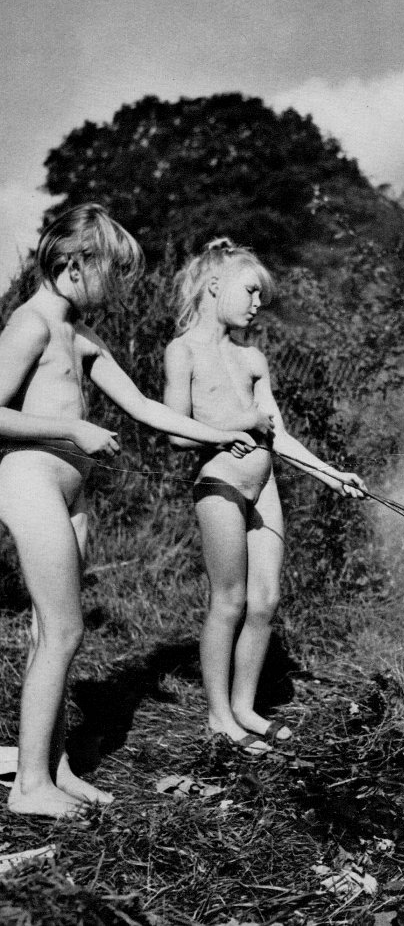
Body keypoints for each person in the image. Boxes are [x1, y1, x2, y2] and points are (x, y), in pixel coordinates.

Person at [0, 205, 256, 817]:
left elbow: (144, 405)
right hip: (29, 481)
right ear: (74, 264)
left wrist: (218, 435)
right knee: (64, 630)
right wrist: (73, 429)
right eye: (110, 273)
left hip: (70, 493)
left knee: (49, 633)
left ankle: (53, 767)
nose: (117, 288)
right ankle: (29, 787)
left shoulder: (80, 336)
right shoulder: (30, 324)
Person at [164, 238, 365, 754]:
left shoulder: (252, 357)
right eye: (251, 291)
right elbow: (176, 431)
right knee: (229, 600)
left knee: (265, 600)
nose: (258, 304)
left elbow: (278, 435)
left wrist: (332, 475)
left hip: (265, 485)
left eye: (261, 296)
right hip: (220, 487)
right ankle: (219, 717)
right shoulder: (183, 351)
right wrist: (234, 425)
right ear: (215, 285)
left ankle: (245, 707)